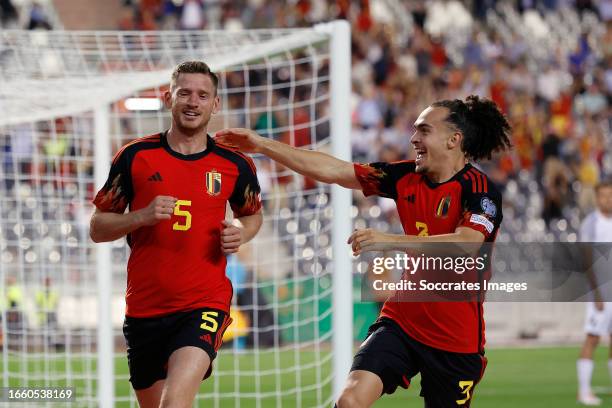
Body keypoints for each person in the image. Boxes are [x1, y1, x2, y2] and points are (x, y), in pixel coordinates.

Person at [216, 94, 511, 408]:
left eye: (424, 130)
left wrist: (391, 241)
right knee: (350, 401)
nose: (413, 138)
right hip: (402, 323)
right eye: (414, 130)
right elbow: (335, 171)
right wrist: (262, 145)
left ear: (454, 139)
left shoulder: (479, 190)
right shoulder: (403, 177)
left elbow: (466, 244)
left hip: (456, 340)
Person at [90, 60, 263, 408]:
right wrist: (140, 216)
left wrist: (241, 233)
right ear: (169, 98)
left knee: (175, 403)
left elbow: (253, 216)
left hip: (204, 303)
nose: (192, 102)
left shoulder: (235, 164)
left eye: (202, 95)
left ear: (215, 105)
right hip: (144, 309)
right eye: (184, 93)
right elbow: (97, 227)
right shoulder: (135, 156)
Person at [576, 179, 612, 406]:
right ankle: (584, 390)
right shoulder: (591, 223)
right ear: (597, 198)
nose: (608, 199)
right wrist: (596, 293)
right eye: (604, 195)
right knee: (593, 337)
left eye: (611, 195)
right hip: (601, 293)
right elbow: (586, 260)